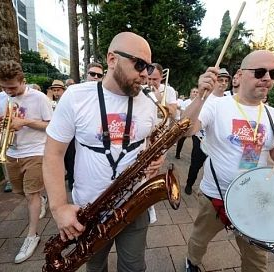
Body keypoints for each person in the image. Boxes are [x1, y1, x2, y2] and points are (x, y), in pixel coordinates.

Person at [181, 50, 274, 272]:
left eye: (273, 73)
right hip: (216, 194)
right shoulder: (217, 105)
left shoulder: (273, 115)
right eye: (260, 71)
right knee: (199, 239)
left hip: (254, 199)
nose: (267, 78)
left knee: (256, 257)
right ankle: (191, 262)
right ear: (239, 76)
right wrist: (201, 96)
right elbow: (185, 130)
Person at [43, 32, 164, 271]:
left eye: (148, 67)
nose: (145, 74)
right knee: (95, 266)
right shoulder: (76, 97)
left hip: (134, 204)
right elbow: (53, 154)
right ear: (112, 59)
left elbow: (151, 141)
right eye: (139, 64)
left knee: (134, 267)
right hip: (90, 209)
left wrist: (157, 156)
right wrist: (59, 207)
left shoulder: (149, 102)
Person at [0, 60, 53, 263]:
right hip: (11, 152)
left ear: (22, 80)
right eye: (3, 86)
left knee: (30, 194)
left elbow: (51, 126)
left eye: (12, 87)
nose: (8, 91)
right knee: (21, 192)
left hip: (35, 151)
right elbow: (1, 126)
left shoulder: (39, 98)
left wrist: (25, 121)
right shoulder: (1, 98)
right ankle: (41, 200)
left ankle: (32, 234)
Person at [184, 68, 231, 195]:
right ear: (214, 81)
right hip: (200, 138)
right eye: (220, 80)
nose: (223, 83)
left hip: (218, 142)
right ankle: (189, 183)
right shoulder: (206, 98)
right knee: (195, 164)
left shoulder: (230, 99)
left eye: (226, 81)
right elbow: (190, 123)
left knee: (213, 166)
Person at [175, 88, 198, 159]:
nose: (195, 93)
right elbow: (182, 113)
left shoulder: (199, 103)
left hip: (195, 124)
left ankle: (194, 158)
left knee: (196, 142)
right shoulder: (186, 102)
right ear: (190, 93)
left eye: (197, 92)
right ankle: (177, 153)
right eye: (194, 92)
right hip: (186, 123)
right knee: (181, 139)